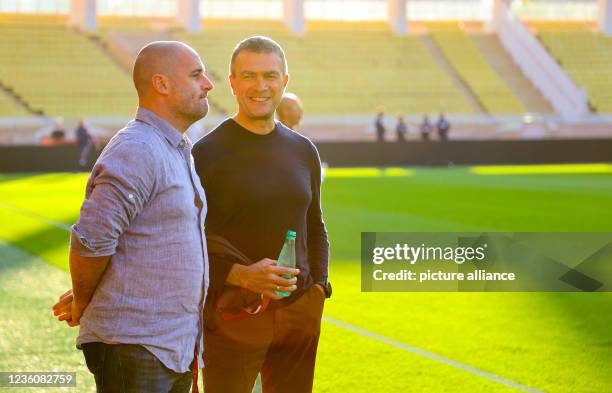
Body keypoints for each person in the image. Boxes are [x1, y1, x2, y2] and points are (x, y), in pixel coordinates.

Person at [51, 41, 213, 393]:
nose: (208, 84)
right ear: (162, 84)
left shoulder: (173, 147)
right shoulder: (139, 147)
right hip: (136, 345)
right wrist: (82, 299)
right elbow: (92, 239)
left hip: (170, 346)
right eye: (197, 74)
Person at [191, 36, 330, 393]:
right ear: (233, 83)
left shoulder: (304, 151)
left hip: (299, 313)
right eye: (248, 76)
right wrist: (238, 275)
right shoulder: (205, 154)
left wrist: (318, 290)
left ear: (284, 81)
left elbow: (315, 226)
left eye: (270, 76)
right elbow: (185, 240)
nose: (260, 86)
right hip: (233, 314)